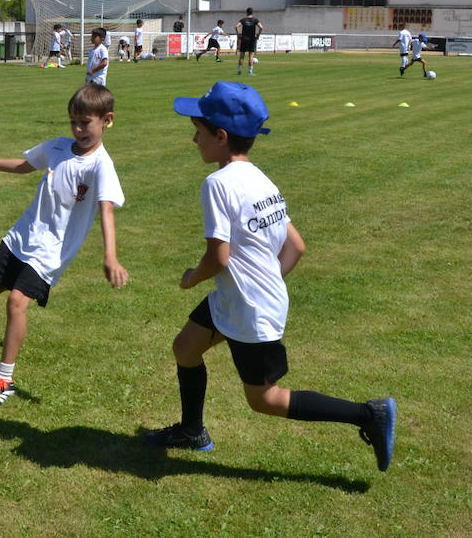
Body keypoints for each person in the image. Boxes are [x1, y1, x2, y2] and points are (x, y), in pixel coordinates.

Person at [143, 81, 397, 472]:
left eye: (199, 130)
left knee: (265, 400)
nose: (194, 138)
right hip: (241, 299)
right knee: (185, 349)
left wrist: (192, 278)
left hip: (249, 309)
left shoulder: (218, 184)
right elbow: (296, 246)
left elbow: (219, 257)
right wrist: (264, 283)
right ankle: (192, 431)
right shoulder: (261, 179)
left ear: (221, 136)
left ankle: (368, 414)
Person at [0, 83, 128, 407]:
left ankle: (3, 379)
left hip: (51, 251)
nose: (78, 129)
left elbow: (106, 209)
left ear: (107, 120)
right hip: (23, 236)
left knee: (17, 302)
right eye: (73, 123)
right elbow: (23, 165)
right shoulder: (56, 148)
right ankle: (17, 294)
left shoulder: (100, 165)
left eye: (86, 123)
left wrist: (111, 257)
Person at [236, 8, 260, 76]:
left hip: (244, 39)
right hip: (251, 40)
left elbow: (236, 26)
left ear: (246, 12)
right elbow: (261, 27)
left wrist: (238, 35)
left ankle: (239, 72)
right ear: (252, 13)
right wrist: (258, 35)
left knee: (241, 56)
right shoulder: (255, 20)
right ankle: (250, 72)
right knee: (251, 56)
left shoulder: (243, 20)